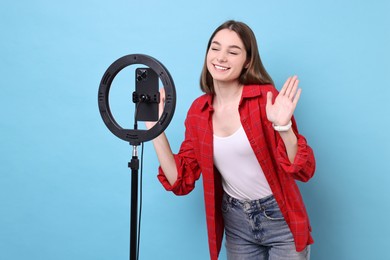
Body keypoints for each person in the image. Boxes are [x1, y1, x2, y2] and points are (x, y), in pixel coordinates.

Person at [146, 20, 315, 260]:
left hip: (280, 217)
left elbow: (303, 170)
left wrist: (284, 127)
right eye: (215, 48)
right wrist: (155, 127)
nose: (221, 57)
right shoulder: (198, 111)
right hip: (236, 222)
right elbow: (179, 180)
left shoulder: (265, 99)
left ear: (247, 61)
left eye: (233, 51)